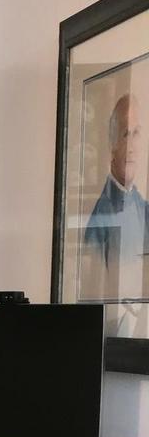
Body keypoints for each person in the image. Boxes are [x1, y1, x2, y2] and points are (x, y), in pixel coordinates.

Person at [82, 92, 148, 300]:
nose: (131, 147)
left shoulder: (145, 210)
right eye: (124, 134)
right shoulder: (99, 218)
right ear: (112, 146)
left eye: (136, 133)